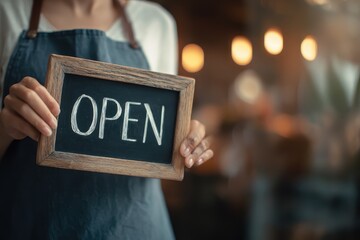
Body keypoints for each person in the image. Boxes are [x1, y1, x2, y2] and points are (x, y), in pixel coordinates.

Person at [0, 0, 213, 239]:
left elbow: (164, 129)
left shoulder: (156, 23)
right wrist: (5, 127)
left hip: (136, 228)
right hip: (32, 226)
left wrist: (185, 141)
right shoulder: (7, 13)